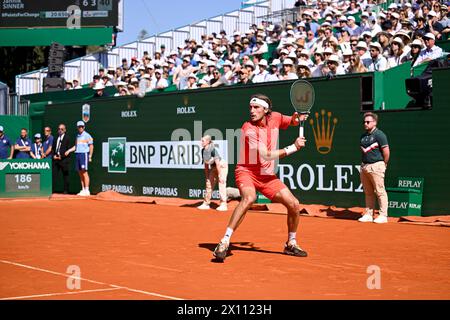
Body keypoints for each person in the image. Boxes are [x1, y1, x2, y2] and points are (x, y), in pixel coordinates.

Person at [213, 94, 308, 262]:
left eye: (256, 107)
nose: (252, 110)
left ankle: (291, 243)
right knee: (249, 198)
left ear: (266, 110)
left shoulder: (276, 117)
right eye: (250, 107)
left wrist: (296, 118)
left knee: (294, 204)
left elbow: (292, 121)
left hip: (267, 176)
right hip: (246, 171)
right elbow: (266, 155)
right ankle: (224, 241)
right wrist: (293, 147)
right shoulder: (248, 128)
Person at [358, 112, 390, 224]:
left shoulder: (380, 135)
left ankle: (383, 215)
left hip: (376, 166)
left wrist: (383, 164)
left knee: (380, 191)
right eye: (364, 122)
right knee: (368, 192)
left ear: (375, 122)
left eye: (368, 122)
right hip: (365, 166)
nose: (365, 124)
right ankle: (368, 214)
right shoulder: (363, 136)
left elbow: (386, 152)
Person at [197, 135, 229, 212]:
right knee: (209, 184)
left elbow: (218, 164)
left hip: (221, 166)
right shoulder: (203, 151)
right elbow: (206, 165)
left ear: (208, 142)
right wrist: (207, 176)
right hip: (213, 167)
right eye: (201, 140)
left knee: (221, 183)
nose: (201, 142)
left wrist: (220, 175)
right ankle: (206, 204)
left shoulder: (213, 150)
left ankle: (223, 204)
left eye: (203, 141)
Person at [65, 121, 94, 196]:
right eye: (79, 127)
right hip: (77, 154)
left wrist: (90, 156)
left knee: (84, 172)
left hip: (84, 154)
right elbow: (76, 146)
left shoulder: (87, 135)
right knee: (80, 173)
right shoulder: (77, 136)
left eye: (82, 126)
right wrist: (69, 150)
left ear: (84, 127)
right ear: (77, 127)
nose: (80, 128)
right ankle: (83, 189)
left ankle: (87, 190)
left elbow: (91, 146)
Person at [52, 124, 71, 194]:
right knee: (54, 175)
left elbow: (68, 150)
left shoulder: (67, 138)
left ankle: (66, 191)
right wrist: (54, 156)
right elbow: (53, 148)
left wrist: (62, 156)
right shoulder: (56, 138)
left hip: (64, 160)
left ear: (65, 130)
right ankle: (52, 190)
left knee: (65, 176)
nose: (60, 130)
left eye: (62, 129)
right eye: (59, 129)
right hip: (56, 160)